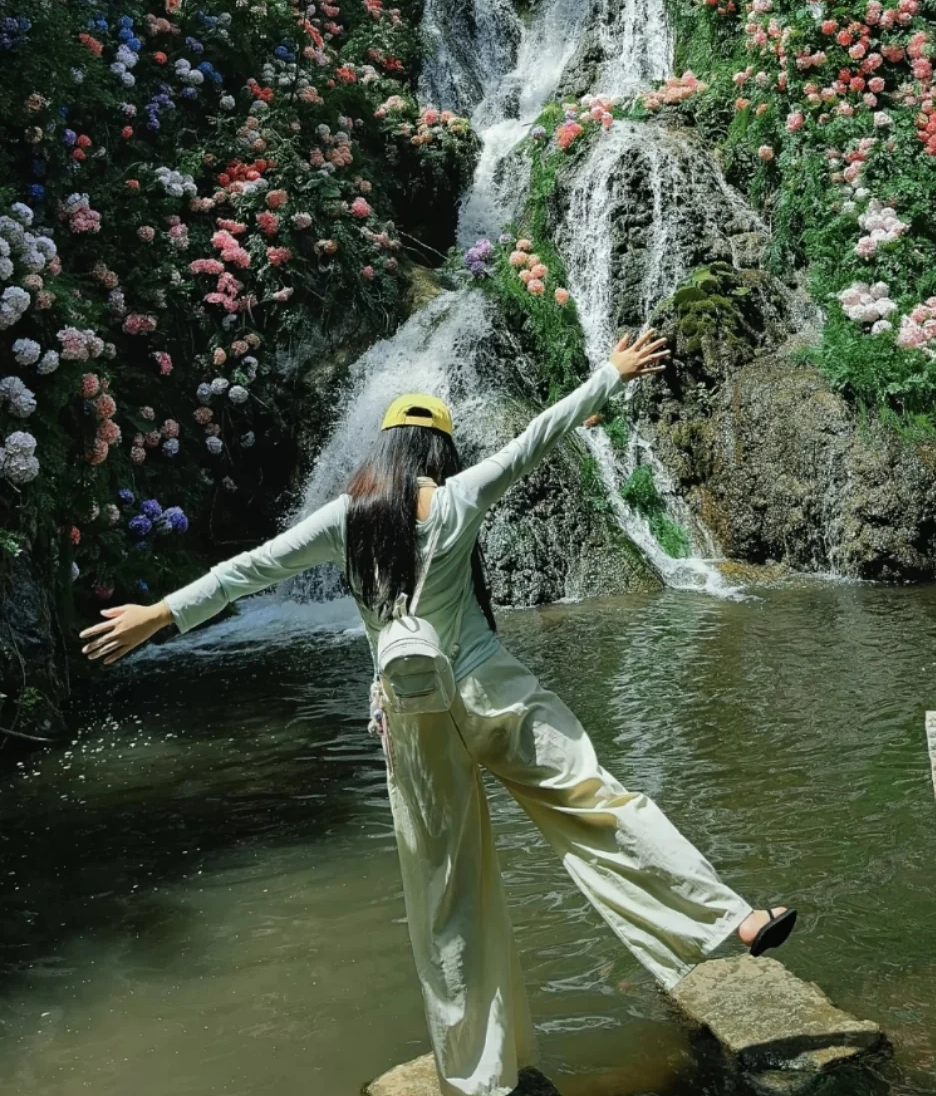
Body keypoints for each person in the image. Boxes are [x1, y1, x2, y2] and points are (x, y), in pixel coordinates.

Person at [82, 327, 796, 1096]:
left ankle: (479, 1075)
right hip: (495, 691)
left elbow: (244, 571)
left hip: (415, 720)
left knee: (447, 895)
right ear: (437, 452)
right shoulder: (456, 499)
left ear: (383, 449)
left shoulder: (345, 519)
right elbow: (537, 437)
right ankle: (731, 919)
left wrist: (158, 613)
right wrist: (610, 374)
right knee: (600, 803)